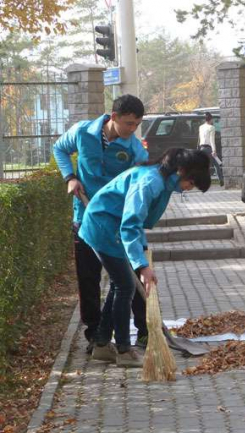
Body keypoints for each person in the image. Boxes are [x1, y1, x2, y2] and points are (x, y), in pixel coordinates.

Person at [79, 148, 212, 367]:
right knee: (124, 287)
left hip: (112, 228)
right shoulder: (150, 182)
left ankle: (102, 344)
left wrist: (141, 251)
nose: (189, 188)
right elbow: (130, 224)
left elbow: (137, 222)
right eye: (191, 183)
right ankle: (123, 349)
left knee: (119, 285)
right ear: (181, 172)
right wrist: (141, 266)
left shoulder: (162, 180)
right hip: (103, 228)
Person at [53, 94, 149, 353]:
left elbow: (142, 175)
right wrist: (70, 177)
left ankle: (144, 331)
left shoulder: (133, 147)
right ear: (114, 117)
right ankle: (95, 335)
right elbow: (59, 148)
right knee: (88, 279)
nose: (132, 130)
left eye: (136, 125)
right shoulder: (83, 132)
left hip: (117, 222)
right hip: (85, 219)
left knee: (130, 274)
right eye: (128, 123)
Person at [198, 112, 224, 186]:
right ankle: (221, 180)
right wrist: (214, 150)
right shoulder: (211, 127)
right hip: (208, 149)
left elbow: (200, 138)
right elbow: (212, 140)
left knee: (204, 166)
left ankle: (201, 181)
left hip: (201, 149)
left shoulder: (201, 127)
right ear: (211, 119)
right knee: (216, 165)